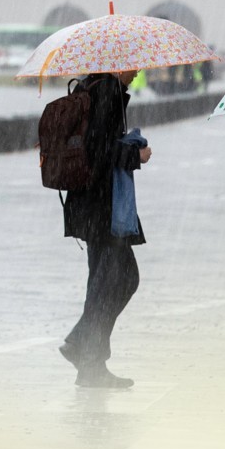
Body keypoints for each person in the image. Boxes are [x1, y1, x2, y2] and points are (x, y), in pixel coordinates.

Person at [58, 69, 153, 388]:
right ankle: (81, 345)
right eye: (134, 63)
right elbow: (98, 150)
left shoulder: (92, 86)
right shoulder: (106, 91)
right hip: (103, 206)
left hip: (90, 204)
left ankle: (89, 364)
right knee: (122, 278)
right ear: (118, 63)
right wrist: (135, 154)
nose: (139, 69)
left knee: (104, 282)